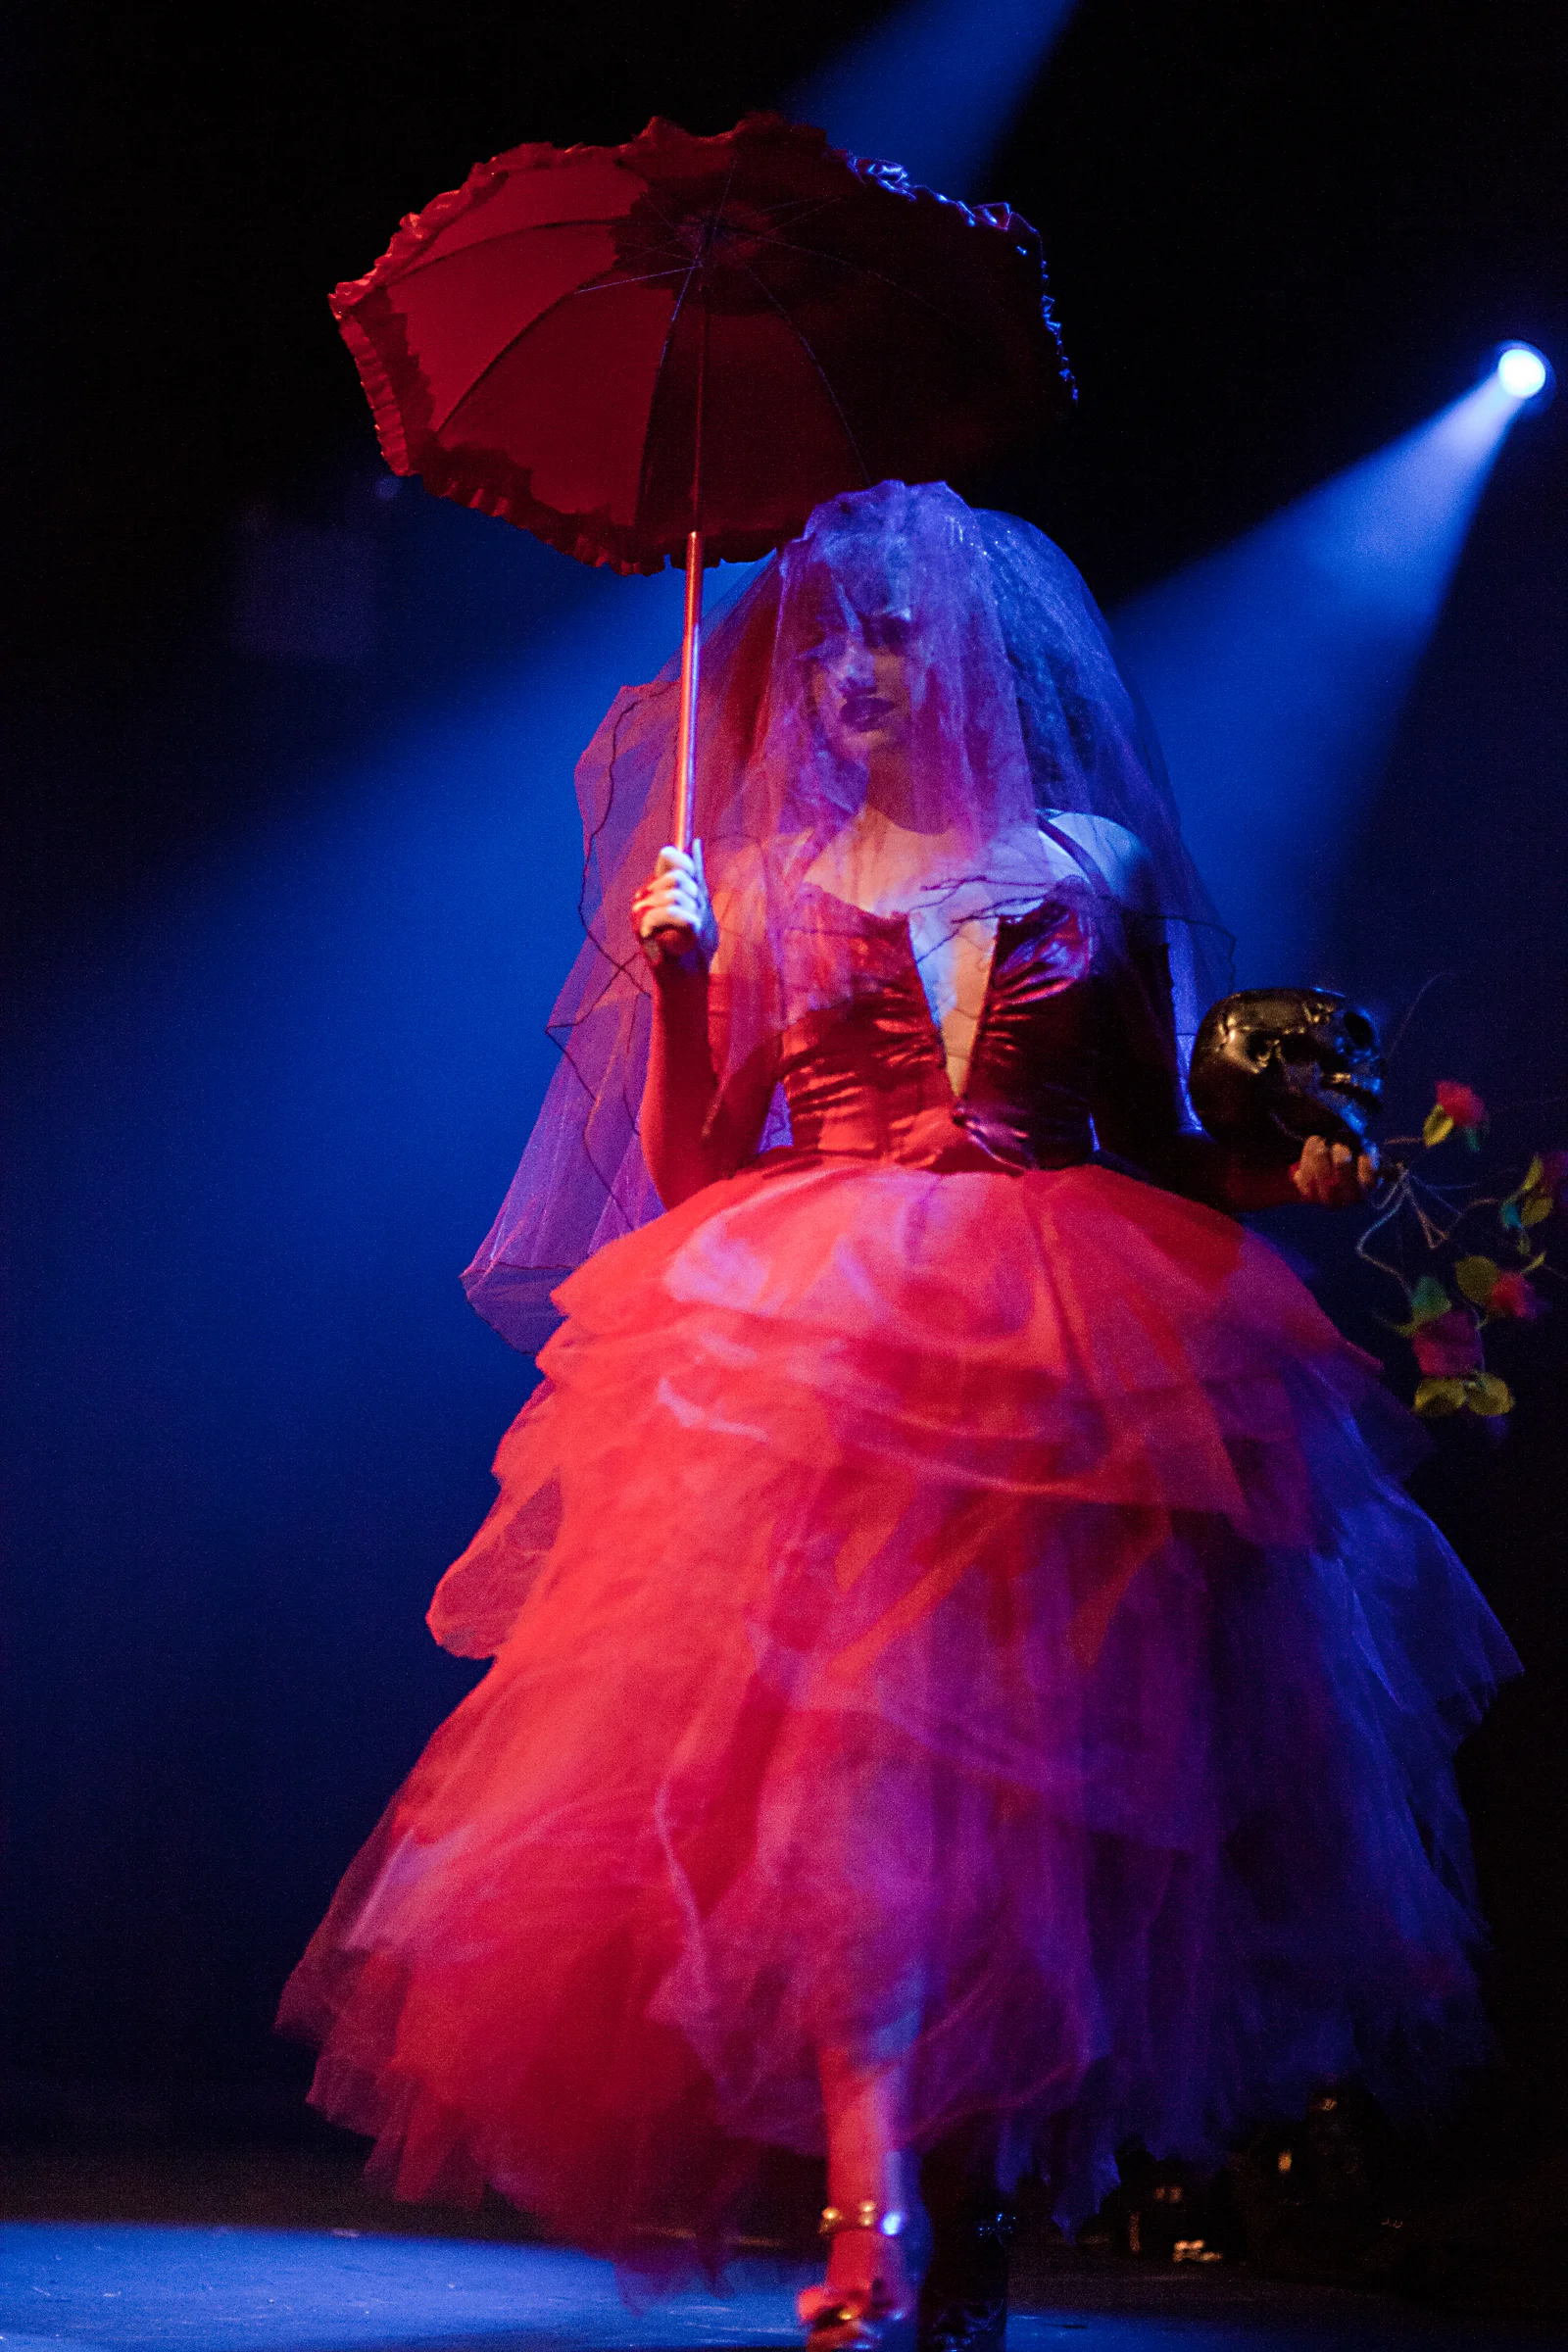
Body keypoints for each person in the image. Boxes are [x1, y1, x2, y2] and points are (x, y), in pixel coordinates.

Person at [279, 482, 1516, 2352]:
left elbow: (1163, 1147)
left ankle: (964, 2203)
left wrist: (1295, 1178)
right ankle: (878, 2210)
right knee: (852, 1797)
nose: (850, 673)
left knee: (1026, 1815)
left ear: (972, 657)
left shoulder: (1091, 865)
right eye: (826, 644)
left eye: (892, 635)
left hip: (1062, 1354)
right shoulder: (768, 881)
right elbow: (694, 1168)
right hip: (824, 1340)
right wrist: (681, 983)